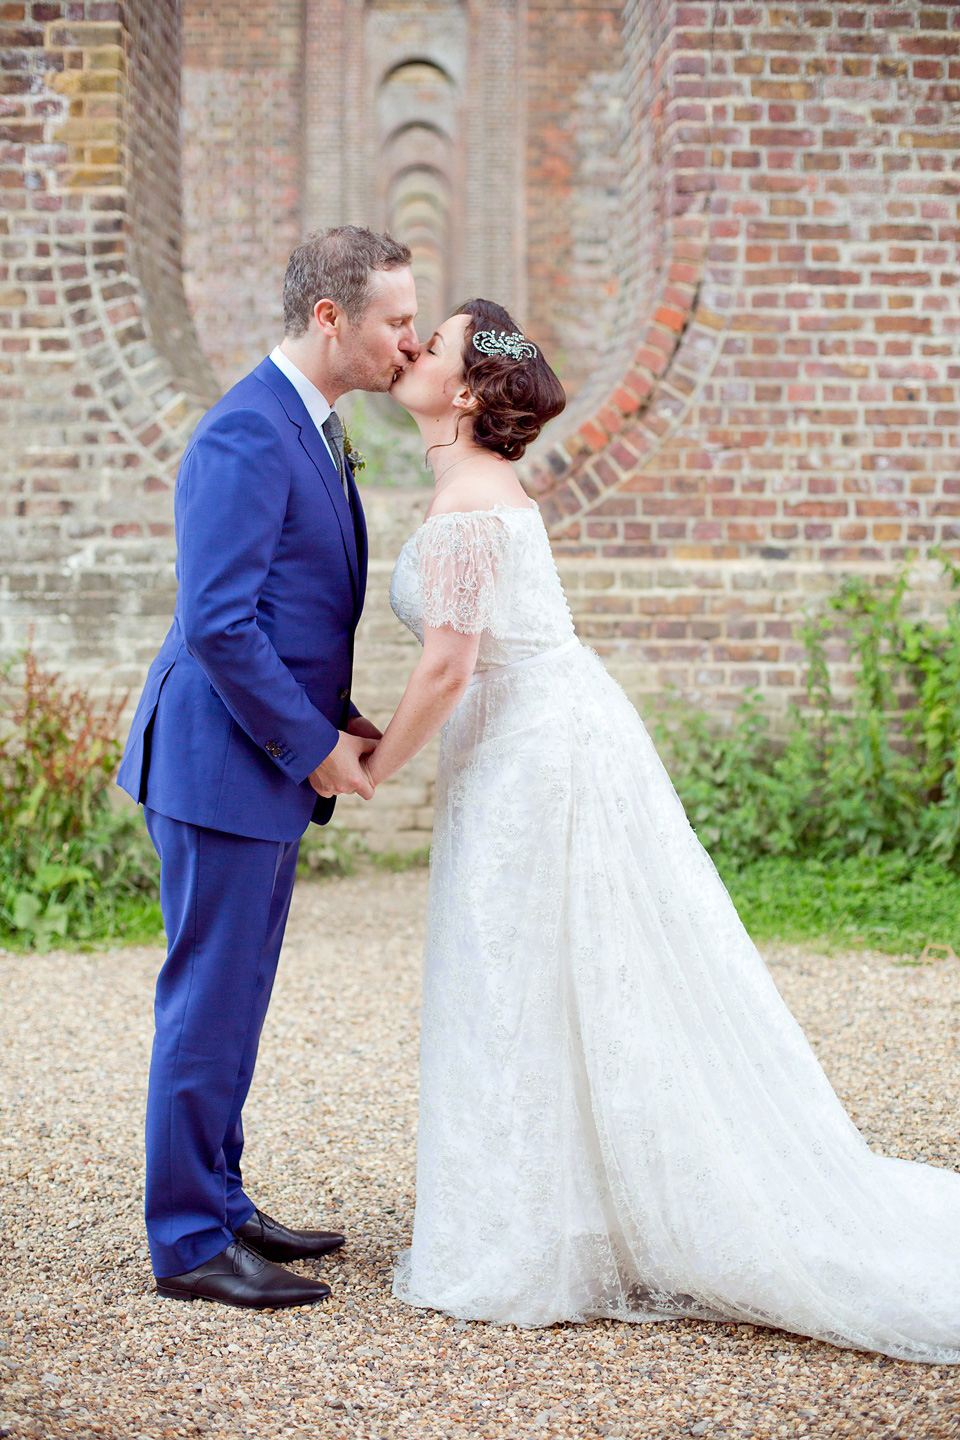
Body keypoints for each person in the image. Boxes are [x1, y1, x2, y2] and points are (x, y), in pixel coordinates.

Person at [364, 297, 960, 1362]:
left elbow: (450, 667)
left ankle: (528, 1238)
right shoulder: (472, 487)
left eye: (432, 342)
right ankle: (557, 1212)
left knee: (520, 977)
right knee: (540, 979)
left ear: (464, 390)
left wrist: (370, 769)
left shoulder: (468, 504)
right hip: (540, 736)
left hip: (531, 757)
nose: (409, 349)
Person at [117, 227, 419, 1309]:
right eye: (394, 318)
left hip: (263, 763)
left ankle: (224, 1198)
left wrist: (340, 715)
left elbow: (295, 614)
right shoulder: (247, 431)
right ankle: (190, 1240)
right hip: (218, 763)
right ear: (330, 317)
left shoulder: (315, 426)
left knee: (237, 994)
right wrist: (313, 746)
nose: (410, 338)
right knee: (207, 999)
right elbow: (221, 625)